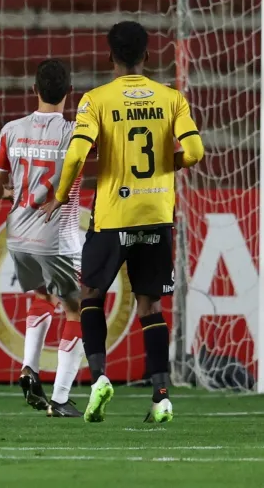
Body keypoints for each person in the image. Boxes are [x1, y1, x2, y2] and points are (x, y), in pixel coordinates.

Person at [40, 21, 204, 424]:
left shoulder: (96, 100)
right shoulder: (172, 99)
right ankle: (162, 396)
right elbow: (196, 151)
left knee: (90, 293)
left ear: (108, 56)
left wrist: (60, 196)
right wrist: (172, 162)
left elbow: (77, 156)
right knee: (150, 305)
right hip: (158, 213)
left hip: (115, 215)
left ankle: (98, 378)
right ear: (148, 56)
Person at [0, 58, 84, 418]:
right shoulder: (75, 132)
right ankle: (60, 399)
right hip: (56, 237)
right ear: (70, 93)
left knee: (39, 297)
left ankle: (29, 367)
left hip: (18, 234)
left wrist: (13, 195)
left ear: (34, 90)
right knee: (77, 309)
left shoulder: (11, 130)